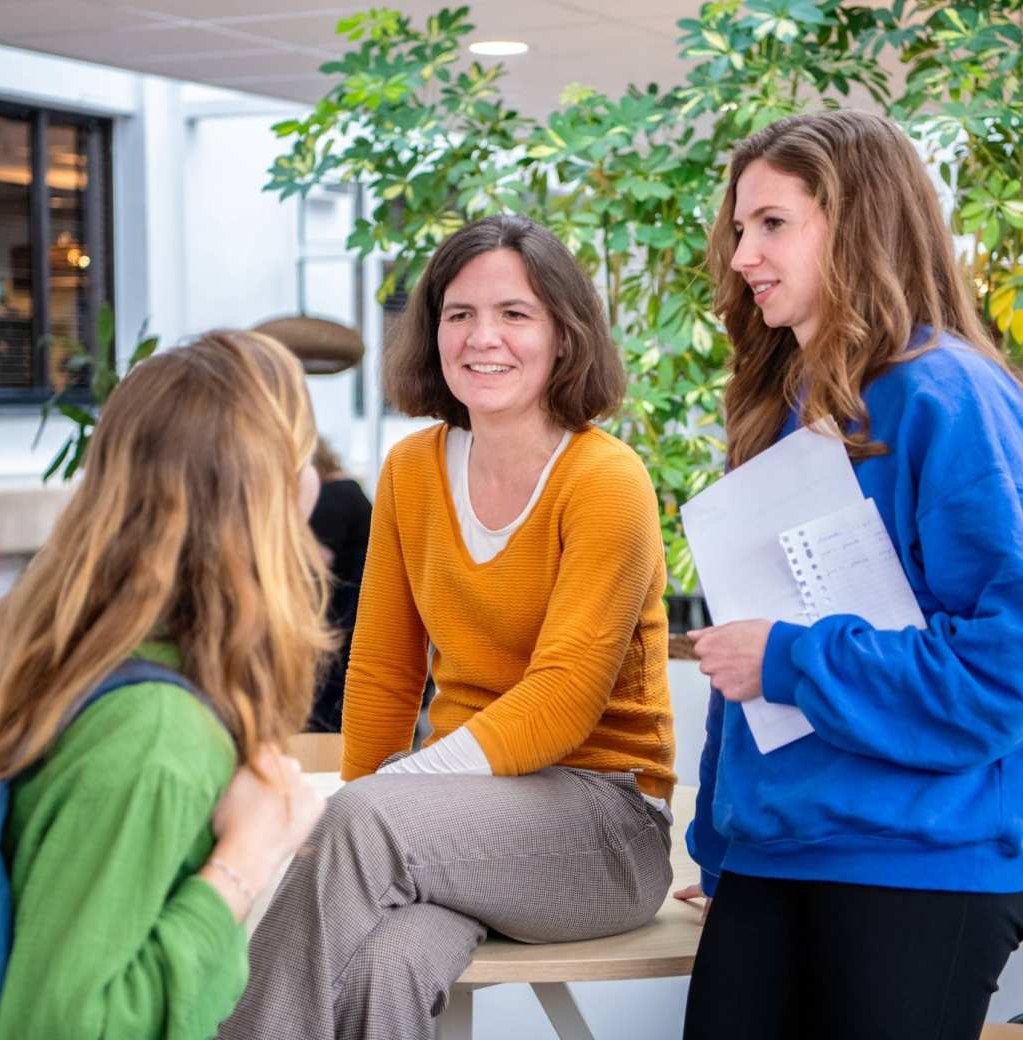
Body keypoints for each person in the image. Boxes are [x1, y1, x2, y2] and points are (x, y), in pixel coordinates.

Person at [219, 214, 676, 1040]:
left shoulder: (608, 480)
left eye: (514, 314)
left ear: (565, 336)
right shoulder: (413, 470)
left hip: (605, 827)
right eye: (458, 314)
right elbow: (385, 673)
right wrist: (376, 790)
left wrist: (379, 799)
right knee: (386, 967)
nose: (481, 338)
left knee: (363, 819)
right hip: (456, 820)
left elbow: (565, 696)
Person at [678, 109, 1023, 1040]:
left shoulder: (949, 397)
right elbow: (742, 660)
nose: (743, 253)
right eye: (740, 227)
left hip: (918, 863)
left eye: (774, 224)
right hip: (776, 859)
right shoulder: (780, 408)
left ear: (859, 222)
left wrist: (791, 662)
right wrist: (722, 848)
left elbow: (1006, 667)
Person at [0, 331, 333, 1039]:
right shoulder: (158, 736)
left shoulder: (88, 670)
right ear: (273, 495)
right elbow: (61, 1026)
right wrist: (244, 858)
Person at [306, 437, 373, 732]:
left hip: (343, 620)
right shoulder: (349, 491)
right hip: (360, 613)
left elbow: (315, 562)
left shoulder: (331, 497)